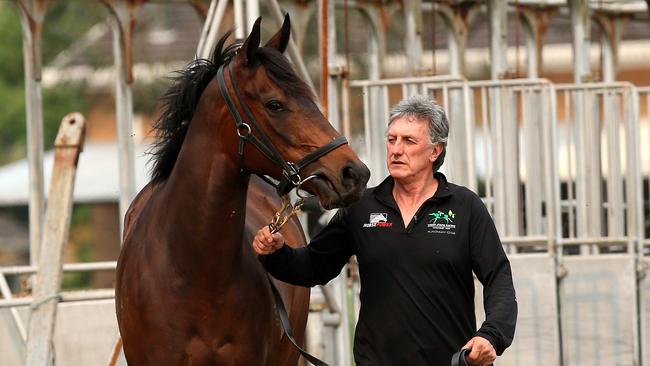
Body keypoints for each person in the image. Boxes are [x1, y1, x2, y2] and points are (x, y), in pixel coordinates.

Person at [253, 94, 517, 366]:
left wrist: (491, 336)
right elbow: (313, 266)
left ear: (435, 151)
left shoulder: (465, 206)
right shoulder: (361, 206)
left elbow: (499, 277)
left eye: (409, 141)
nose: (396, 149)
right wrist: (276, 252)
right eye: (392, 140)